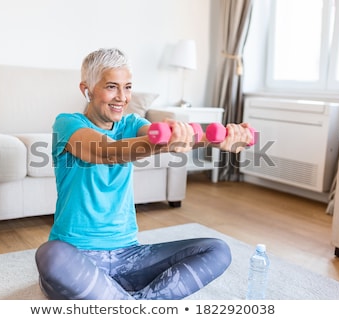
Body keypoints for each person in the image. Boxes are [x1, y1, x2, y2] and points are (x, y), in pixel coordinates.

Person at [35, 48, 254, 300]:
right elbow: (108, 151)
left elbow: (160, 136)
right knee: (50, 255)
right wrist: (162, 144)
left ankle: (130, 304)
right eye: (111, 87)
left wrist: (212, 139)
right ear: (86, 89)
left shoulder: (132, 123)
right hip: (76, 256)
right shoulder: (67, 123)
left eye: (127, 87)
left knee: (216, 250)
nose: (122, 97)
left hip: (129, 257)